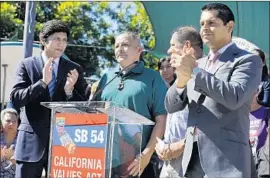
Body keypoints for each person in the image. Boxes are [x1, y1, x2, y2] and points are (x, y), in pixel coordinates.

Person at [165, 3, 262, 177]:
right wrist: (181, 79)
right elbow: (171, 106)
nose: (205, 28)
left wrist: (194, 72)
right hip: (191, 161)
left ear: (229, 26)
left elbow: (235, 97)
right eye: (202, 24)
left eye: (212, 23)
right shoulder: (197, 63)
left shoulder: (247, 60)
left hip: (228, 161)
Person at [10, 20, 88, 178]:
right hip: (31, 144)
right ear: (43, 39)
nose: (61, 44)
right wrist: (42, 83)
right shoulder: (26, 65)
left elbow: (85, 106)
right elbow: (16, 99)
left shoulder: (74, 69)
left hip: (64, 144)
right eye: (57, 39)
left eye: (65, 40)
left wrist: (69, 91)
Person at [94, 31, 167, 177]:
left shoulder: (153, 78)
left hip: (137, 162)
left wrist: (146, 154)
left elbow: (162, 119)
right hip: (105, 158)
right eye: (117, 46)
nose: (120, 49)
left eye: (125, 45)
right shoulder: (107, 77)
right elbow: (95, 112)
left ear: (139, 50)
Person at [155, 26, 203, 178]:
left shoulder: (206, 77)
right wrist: (164, 146)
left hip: (193, 162)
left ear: (187, 46)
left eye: (173, 46)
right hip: (170, 160)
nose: (169, 51)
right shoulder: (178, 81)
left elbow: (208, 122)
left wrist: (181, 146)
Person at [249, 86, 270, 158]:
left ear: (257, 92)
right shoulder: (240, 115)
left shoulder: (267, 112)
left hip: (263, 161)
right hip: (245, 162)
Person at [0, 108, 19, 178]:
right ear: (1, 122)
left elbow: (29, 165)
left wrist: (13, 160)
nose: (11, 124)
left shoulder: (23, 139)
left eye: (14, 121)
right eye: (8, 121)